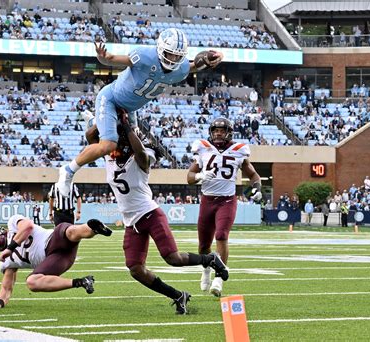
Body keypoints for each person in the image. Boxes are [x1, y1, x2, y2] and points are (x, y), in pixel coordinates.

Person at [56, 28, 224, 196]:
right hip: (111, 99)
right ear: (159, 48)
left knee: (129, 148)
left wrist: (210, 60)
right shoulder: (145, 56)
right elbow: (112, 59)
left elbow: (192, 66)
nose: (173, 59)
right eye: (169, 54)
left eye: (177, 56)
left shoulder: (180, 69)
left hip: (130, 109)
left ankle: (95, 123)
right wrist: (102, 57)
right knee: (109, 145)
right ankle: (68, 170)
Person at [104, 115, 229, 315]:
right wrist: (105, 117)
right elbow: (91, 136)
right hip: (132, 222)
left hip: (150, 214)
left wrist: (128, 126)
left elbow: (140, 153)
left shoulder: (141, 160)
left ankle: (210, 259)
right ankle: (178, 296)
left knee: (172, 258)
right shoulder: (110, 157)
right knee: (135, 269)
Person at [186, 118, 261, 297]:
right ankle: (205, 271)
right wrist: (201, 176)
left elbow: (253, 175)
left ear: (228, 132)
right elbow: (189, 176)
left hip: (227, 200)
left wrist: (257, 189)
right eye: (215, 130)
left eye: (221, 130)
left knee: (221, 235)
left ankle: (219, 277)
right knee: (204, 245)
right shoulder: (203, 148)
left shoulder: (238, 150)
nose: (218, 133)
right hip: (207, 200)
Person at [0, 214, 112, 309]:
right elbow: (6, 287)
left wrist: (11, 247)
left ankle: (94, 228)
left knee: (71, 231)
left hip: (54, 238)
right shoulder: (7, 261)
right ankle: (81, 282)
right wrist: (0, 302)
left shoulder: (13, 224)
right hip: (56, 259)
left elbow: (28, 226)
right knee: (32, 282)